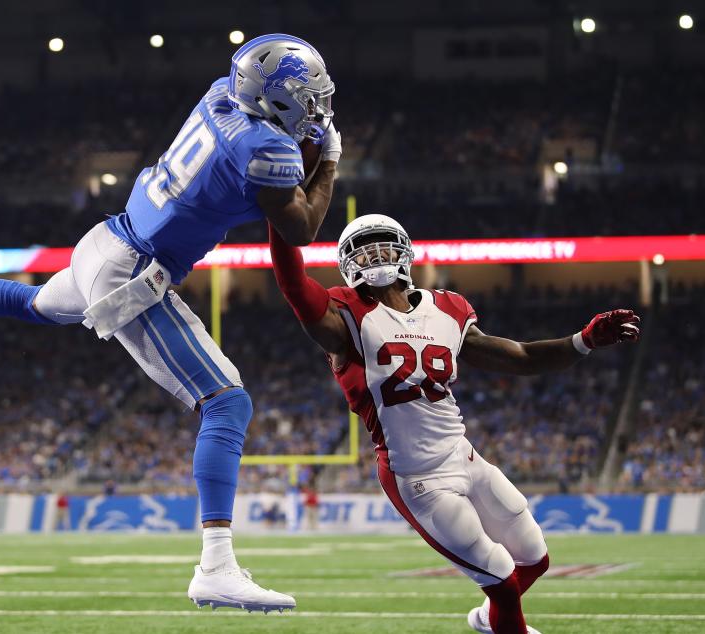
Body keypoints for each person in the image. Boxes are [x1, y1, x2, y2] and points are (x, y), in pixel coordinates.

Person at [0, 33, 341, 613]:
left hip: (109, 240)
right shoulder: (268, 149)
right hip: (135, 270)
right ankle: (216, 565)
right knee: (227, 403)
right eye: (304, 96)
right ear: (273, 97)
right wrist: (331, 160)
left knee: (31, 303)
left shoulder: (221, 95)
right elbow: (301, 228)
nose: (315, 107)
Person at [267, 214, 640, 633]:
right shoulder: (344, 317)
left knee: (535, 558)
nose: (374, 255)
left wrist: (583, 341)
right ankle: (501, 619)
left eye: (382, 244)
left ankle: (486, 620)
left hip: (465, 457)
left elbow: (520, 356)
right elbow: (294, 287)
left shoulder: (445, 308)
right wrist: (279, 218)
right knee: (499, 575)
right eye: (362, 249)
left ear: (405, 251)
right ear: (347, 266)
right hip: (418, 478)